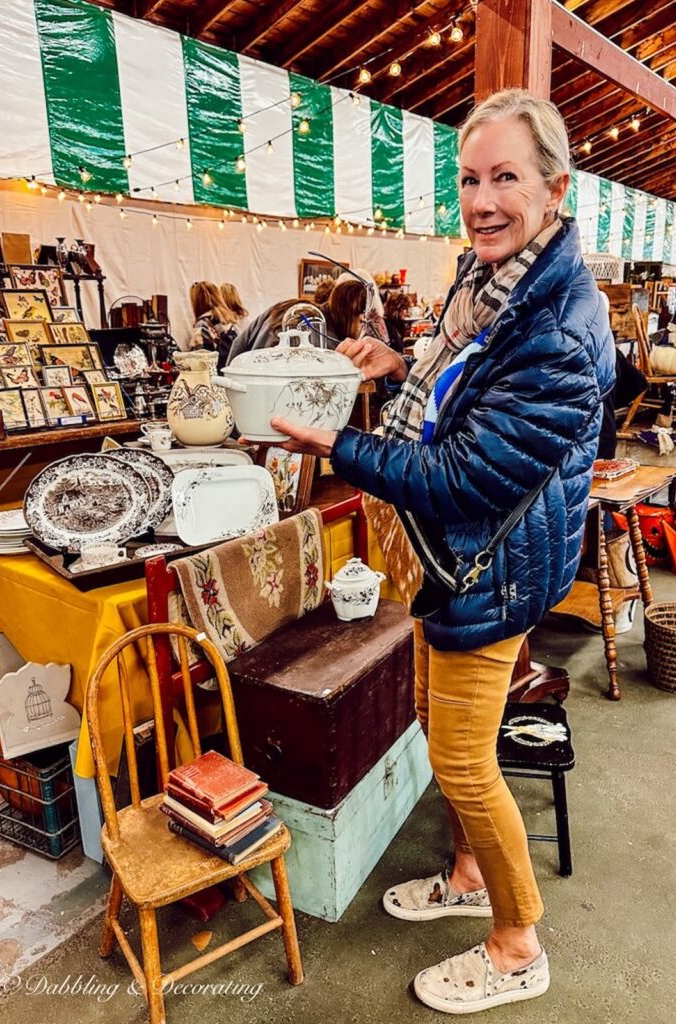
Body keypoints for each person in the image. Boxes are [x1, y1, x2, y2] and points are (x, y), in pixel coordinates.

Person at [268, 88, 614, 1014]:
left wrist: (334, 445)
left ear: (555, 188)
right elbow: (458, 375)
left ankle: (515, 942)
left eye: (507, 177)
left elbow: (465, 477)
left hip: (489, 565)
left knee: (462, 760)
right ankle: (464, 875)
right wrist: (397, 366)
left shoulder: (559, 332)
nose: (483, 198)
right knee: (440, 721)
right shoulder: (493, 281)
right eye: (470, 177)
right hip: (452, 559)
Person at [187, 281, 236, 368]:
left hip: (214, 377)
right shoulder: (229, 321)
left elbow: (199, 361)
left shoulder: (202, 325)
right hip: (231, 372)